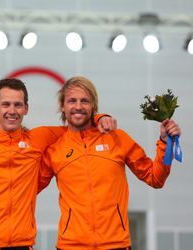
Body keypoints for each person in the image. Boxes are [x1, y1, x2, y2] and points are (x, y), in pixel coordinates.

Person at [0, 78, 117, 250]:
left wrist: (99, 118)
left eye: (18, 105)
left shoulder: (39, 139)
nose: (12, 111)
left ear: (26, 108)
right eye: (6, 104)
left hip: (21, 244)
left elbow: (79, 124)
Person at [39, 76, 181, 250]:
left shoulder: (117, 138)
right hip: (70, 245)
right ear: (63, 106)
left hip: (116, 244)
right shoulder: (55, 150)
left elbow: (155, 178)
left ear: (93, 106)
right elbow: (28, 189)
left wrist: (165, 142)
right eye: (71, 101)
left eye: (85, 101)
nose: (78, 106)